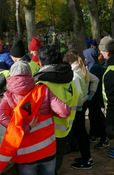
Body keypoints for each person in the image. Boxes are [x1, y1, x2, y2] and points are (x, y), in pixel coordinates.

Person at [0, 61, 71, 175]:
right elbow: (65, 112)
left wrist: (23, 128)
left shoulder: (9, 97)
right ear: (30, 74)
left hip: (25, 154)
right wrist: (50, 112)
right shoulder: (43, 91)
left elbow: (0, 116)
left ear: (12, 76)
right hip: (47, 150)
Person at [33, 45, 79, 174]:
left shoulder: (41, 85)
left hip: (45, 134)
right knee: (56, 163)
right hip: (64, 130)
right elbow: (77, 101)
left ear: (40, 63)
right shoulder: (70, 80)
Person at [63, 51, 99, 170]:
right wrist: (90, 94)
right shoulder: (82, 70)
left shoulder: (74, 75)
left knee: (80, 134)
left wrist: (77, 108)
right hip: (84, 104)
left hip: (79, 108)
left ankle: (86, 160)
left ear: (69, 62)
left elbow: (77, 93)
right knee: (82, 132)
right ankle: (87, 157)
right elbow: (96, 80)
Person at [83, 47, 108, 149]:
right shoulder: (94, 66)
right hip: (94, 97)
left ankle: (104, 138)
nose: (84, 59)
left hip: (95, 97)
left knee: (98, 116)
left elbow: (93, 82)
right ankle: (93, 134)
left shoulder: (94, 68)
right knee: (93, 116)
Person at [98, 36, 114, 158]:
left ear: (107, 52)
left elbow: (112, 97)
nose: (101, 54)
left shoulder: (110, 72)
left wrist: (110, 117)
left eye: (102, 52)